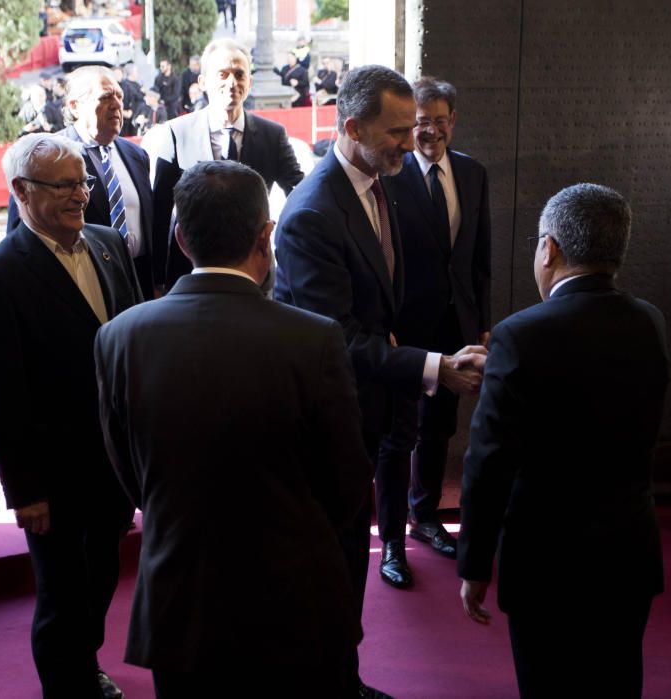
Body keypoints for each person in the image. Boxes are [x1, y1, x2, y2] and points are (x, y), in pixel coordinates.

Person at [94, 160, 371, 698]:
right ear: (266, 237)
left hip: (181, 592)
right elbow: (348, 480)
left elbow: (128, 468)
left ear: (179, 237)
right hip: (294, 593)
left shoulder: (118, 337)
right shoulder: (313, 338)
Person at [274, 64, 485, 697]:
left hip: (373, 401)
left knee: (344, 564)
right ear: (352, 128)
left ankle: (342, 676)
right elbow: (334, 338)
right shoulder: (313, 213)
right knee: (333, 564)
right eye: (396, 131)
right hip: (331, 417)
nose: (409, 140)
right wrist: (432, 367)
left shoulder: (380, 181)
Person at [457, 183, 669, 698]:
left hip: (548, 562)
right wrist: (511, 373)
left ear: (548, 248)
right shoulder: (650, 321)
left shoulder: (519, 335)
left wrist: (474, 562)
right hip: (626, 551)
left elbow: (489, 460)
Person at [0, 133, 141, 699]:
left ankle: (84, 664)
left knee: (101, 580)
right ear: (20, 191)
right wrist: (26, 489)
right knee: (61, 595)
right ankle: (69, 686)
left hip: (114, 466)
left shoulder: (111, 245)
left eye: (81, 182)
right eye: (62, 186)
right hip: (53, 478)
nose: (79, 195)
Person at [379, 76, 491, 572]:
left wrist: (481, 323)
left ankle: (425, 517)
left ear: (453, 122)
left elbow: (479, 257)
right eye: (422, 123)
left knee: (440, 428)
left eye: (440, 122)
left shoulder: (472, 173)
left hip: (455, 322)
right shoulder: (390, 177)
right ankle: (390, 543)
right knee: (397, 432)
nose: (431, 133)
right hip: (405, 328)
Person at [153, 38, 304, 294]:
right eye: (222, 74)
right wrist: (156, 279)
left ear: (249, 82)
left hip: (254, 274)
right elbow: (158, 212)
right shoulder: (176, 134)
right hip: (188, 273)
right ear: (202, 82)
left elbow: (301, 195)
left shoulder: (272, 135)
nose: (231, 83)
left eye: (239, 74)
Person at [7, 66, 156, 301]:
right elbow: (19, 234)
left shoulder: (136, 155)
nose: (117, 104)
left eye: (119, 96)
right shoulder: (45, 156)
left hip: (138, 283)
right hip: (76, 283)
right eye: (106, 97)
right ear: (75, 105)